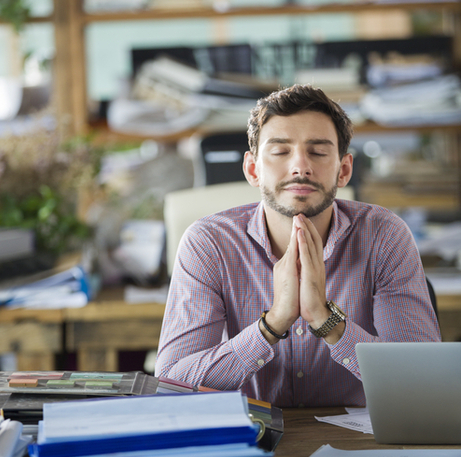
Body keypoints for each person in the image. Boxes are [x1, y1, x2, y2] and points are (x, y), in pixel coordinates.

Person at [155, 85, 441, 407]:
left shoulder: (385, 236)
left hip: (361, 445)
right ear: (253, 170)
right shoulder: (208, 244)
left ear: (344, 170)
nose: (300, 166)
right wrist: (273, 323)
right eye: (280, 152)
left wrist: (324, 319)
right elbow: (171, 387)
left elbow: (424, 386)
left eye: (318, 152)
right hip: (251, 440)